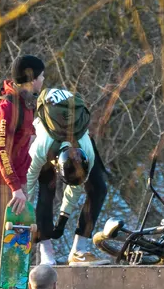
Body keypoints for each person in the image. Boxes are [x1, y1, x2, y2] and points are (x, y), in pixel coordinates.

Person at [0, 54, 44, 289]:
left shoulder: (27, 104)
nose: (43, 80)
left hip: (19, 182)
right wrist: (14, 186)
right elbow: (0, 150)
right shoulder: (7, 106)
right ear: (31, 78)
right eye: (41, 76)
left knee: (21, 237)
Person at [25, 88, 110, 267]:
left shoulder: (87, 152)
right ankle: (46, 252)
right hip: (49, 137)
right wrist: (26, 214)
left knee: (99, 189)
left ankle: (79, 251)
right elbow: (29, 182)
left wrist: (62, 220)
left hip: (77, 139)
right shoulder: (41, 148)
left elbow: (76, 187)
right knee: (46, 190)